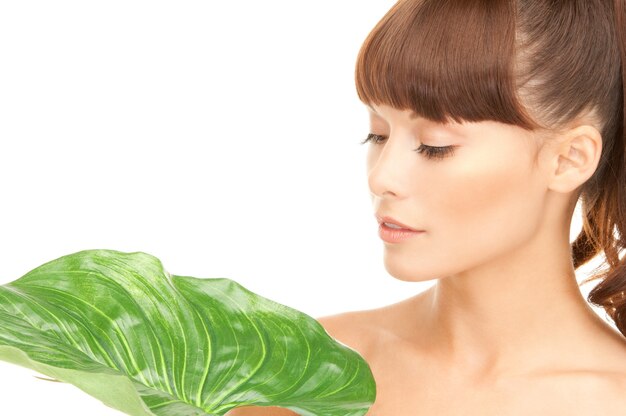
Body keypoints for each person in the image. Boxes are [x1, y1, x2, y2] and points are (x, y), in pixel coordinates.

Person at [228, 0, 626, 414]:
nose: (381, 178)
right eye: (377, 135)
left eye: (434, 147)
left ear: (568, 159)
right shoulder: (300, 376)